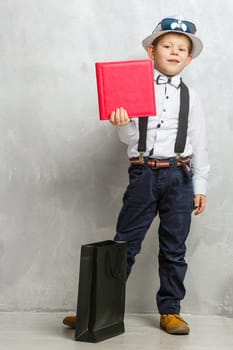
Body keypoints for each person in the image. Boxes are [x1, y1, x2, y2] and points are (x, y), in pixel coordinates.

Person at [63, 15, 209, 335]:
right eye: (167, 45)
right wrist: (123, 123)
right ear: (151, 52)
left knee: (174, 248)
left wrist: (200, 185)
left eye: (181, 49)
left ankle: (170, 310)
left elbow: (200, 143)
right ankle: (98, 309)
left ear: (189, 57)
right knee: (124, 244)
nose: (174, 52)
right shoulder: (134, 88)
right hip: (143, 173)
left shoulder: (191, 97)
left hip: (180, 178)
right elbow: (130, 140)